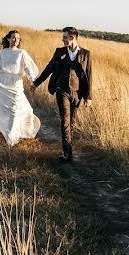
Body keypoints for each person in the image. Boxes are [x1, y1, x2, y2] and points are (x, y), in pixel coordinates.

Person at [30, 26, 92, 163]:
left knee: (72, 122)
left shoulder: (86, 54)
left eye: (65, 37)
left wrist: (88, 96)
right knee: (65, 120)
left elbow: (88, 75)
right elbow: (49, 69)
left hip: (77, 93)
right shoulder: (60, 52)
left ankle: (67, 148)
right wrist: (36, 83)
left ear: (72, 38)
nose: (62, 39)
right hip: (61, 90)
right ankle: (67, 153)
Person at [0, 30, 41, 146]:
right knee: (6, 109)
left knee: (16, 109)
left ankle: (12, 136)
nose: (16, 40)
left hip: (15, 83)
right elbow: (0, 68)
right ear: (8, 39)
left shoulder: (21, 53)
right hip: (4, 82)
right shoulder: (4, 52)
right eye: (13, 38)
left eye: (18, 39)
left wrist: (33, 81)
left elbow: (28, 68)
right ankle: (9, 133)